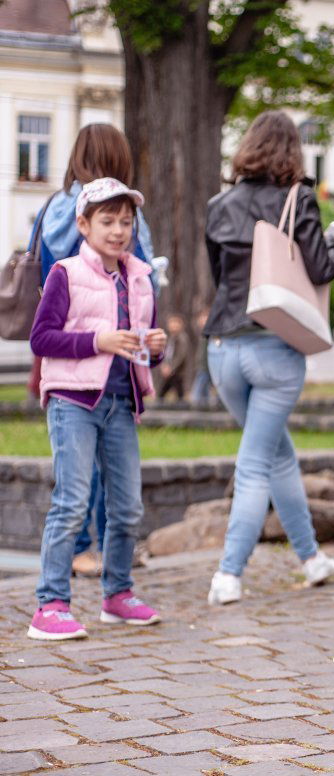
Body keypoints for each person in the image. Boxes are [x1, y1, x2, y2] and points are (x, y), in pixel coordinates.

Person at [203, 110, 334, 605]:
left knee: (275, 452)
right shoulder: (298, 198)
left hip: (222, 351)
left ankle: (311, 558)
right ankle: (228, 573)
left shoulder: (219, 204)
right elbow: (321, 270)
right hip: (276, 350)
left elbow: (221, 281)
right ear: (292, 153)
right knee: (256, 462)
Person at [27, 178, 166, 639]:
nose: (118, 230)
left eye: (126, 221)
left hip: (122, 402)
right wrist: (97, 341)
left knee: (127, 507)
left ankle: (117, 595)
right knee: (71, 503)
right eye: (107, 221)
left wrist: (157, 348)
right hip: (73, 401)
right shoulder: (65, 274)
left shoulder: (140, 277)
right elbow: (41, 339)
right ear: (83, 224)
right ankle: (50, 604)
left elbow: (141, 341)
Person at [156, 313, 193, 401]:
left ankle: (184, 410)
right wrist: (163, 365)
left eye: (176, 323)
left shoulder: (182, 338)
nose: (173, 326)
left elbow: (181, 356)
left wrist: (171, 368)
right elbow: (166, 353)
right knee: (162, 393)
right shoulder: (170, 338)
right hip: (169, 371)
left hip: (177, 372)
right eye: (171, 323)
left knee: (178, 394)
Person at [189, 309, 215, 404]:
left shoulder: (211, 334)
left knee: (198, 390)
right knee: (205, 389)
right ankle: (206, 405)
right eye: (201, 320)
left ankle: (196, 403)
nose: (202, 322)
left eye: (205, 319)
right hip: (202, 365)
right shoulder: (203, 334)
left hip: (207, 366)